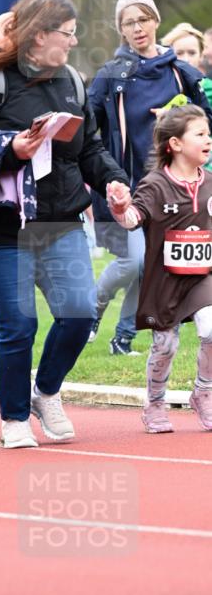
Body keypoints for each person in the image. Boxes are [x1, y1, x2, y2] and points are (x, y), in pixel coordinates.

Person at [0, 0, 129, 449]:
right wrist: (10, 147)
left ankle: (45, 391)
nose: (74, 42)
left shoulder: (73, 82)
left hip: (59, 220)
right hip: (0, 228)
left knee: (80, 313)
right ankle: (14, 417)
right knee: (19, 324)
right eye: (67, 33)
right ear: (39, 36)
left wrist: (113, 182)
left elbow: (89, 149)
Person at [88, 0, 212, 355]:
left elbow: (206, 121)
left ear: (156, 21)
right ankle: (91, 310)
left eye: (143, 19)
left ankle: (123, 337)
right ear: (121, 30)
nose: (138, 28)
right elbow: (88, 126)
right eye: (129, 22)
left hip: (173, 187)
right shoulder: (112, 75)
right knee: (136, 261)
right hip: (129, 183)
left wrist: (179, 117)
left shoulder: (182, 72)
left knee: (152, 267)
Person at [106, 105, 212, 432]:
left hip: (203, 276)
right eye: (201, 134)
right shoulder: (154, 184)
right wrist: (120, 207)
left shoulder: (210, 181)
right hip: (164, 279)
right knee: (165, 345)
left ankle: (204, 394)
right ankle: (154, 402)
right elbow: (132, 220)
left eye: (209, 133)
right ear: (176, 144)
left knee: (211, 331)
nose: (209, 139)